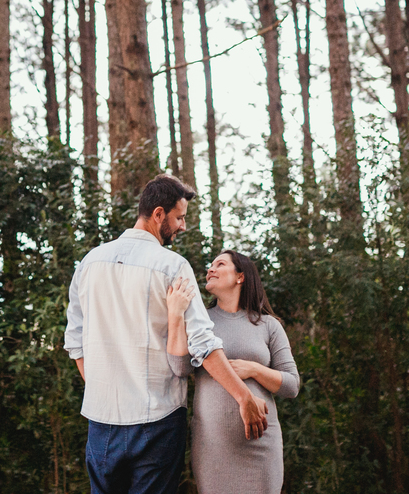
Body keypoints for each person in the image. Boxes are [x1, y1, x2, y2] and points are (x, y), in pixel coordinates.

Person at [64, 174, 268, 494]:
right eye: (180, 217)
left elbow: (75, 342)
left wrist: (104, 390)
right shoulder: (172, 266)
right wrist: (244, 397)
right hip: (156, 421)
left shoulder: (89, 263)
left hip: (101, 421)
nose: (183, 226)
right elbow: (203, 343)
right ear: (158, 214)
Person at [167, 250, 300, 494]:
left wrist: (254, 369)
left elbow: (291, 386)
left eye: (220, 264)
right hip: (213, 446)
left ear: (240, 277)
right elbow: (180, 367)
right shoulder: (199, 320)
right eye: (210, 265)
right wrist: (176, 316)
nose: (210, 269)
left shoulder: (268, 325)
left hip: (262, 446)